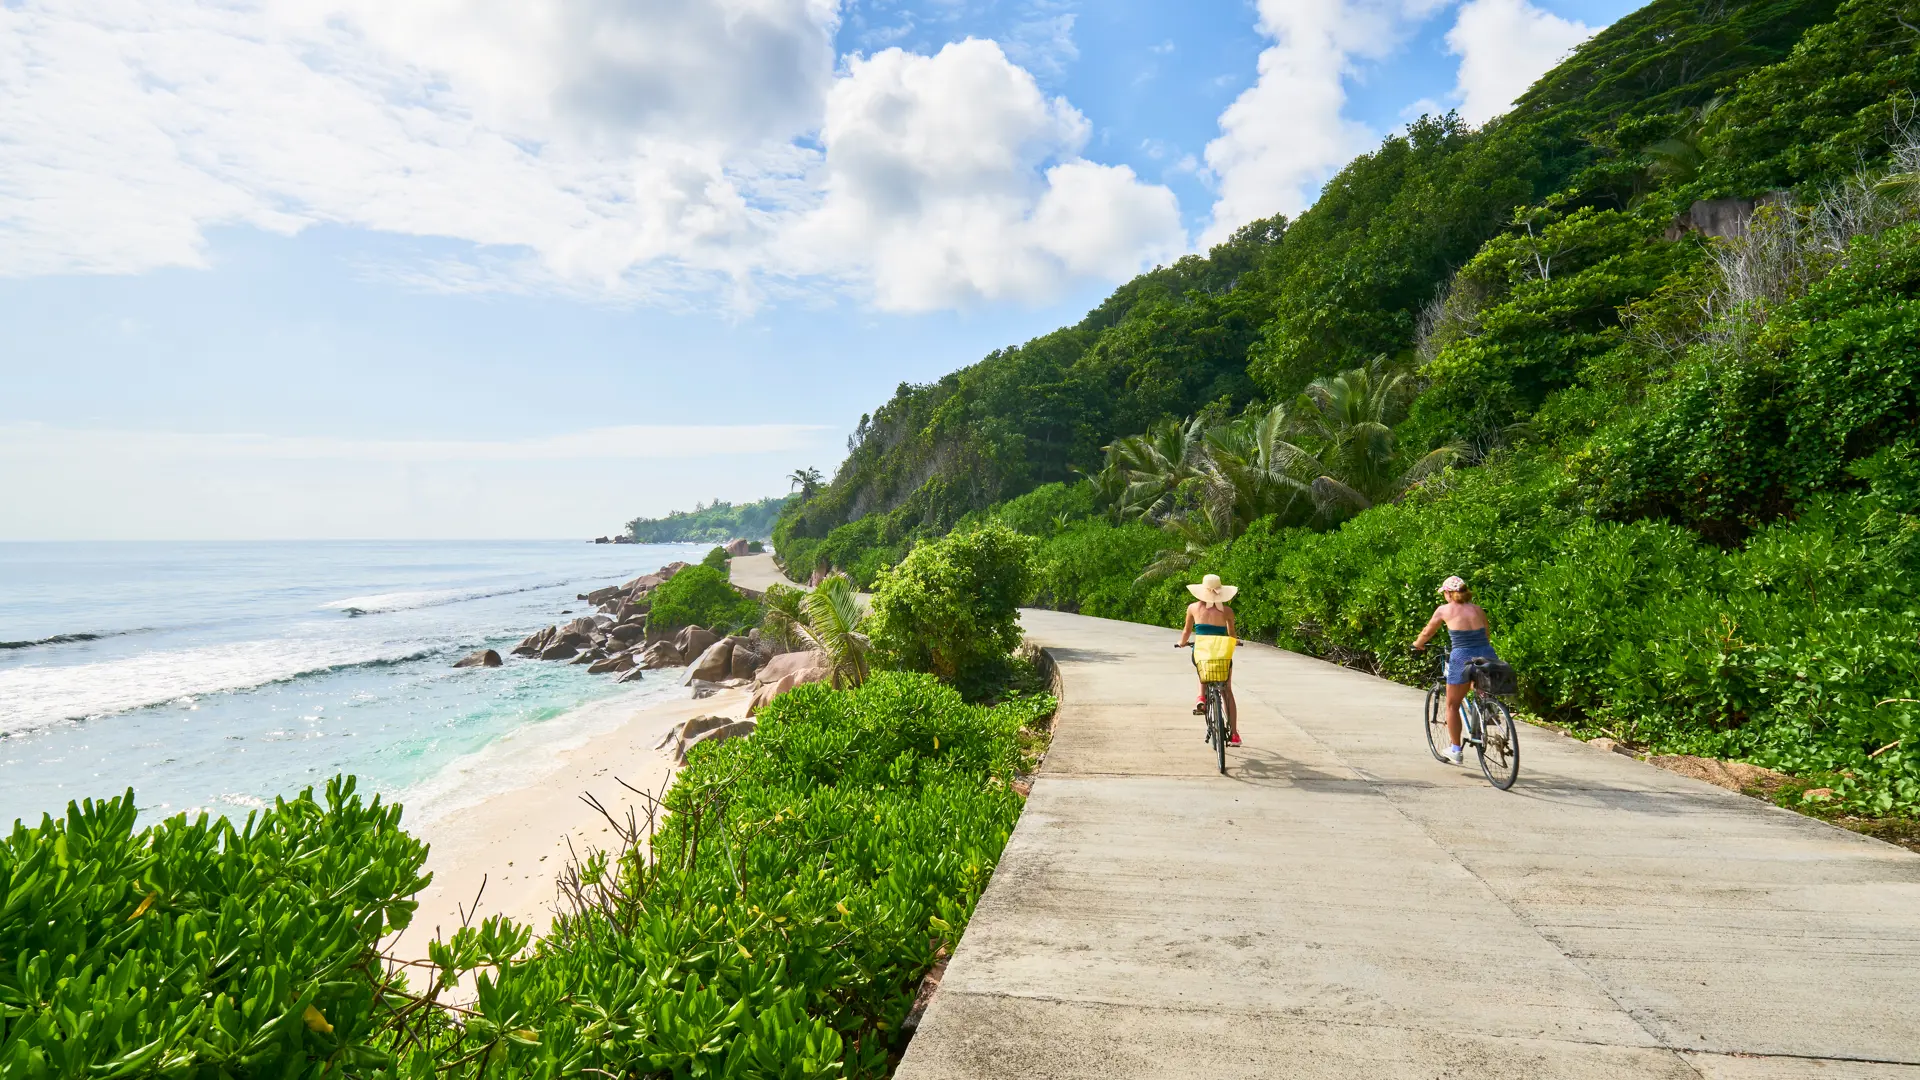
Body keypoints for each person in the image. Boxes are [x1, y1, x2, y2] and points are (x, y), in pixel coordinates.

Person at [1412, 575, 1498, 765]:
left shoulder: (1444, 610)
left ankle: (1456, 750)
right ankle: (1487, 706)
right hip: (1486, 653)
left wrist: (1417, 644)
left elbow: (1428, 631)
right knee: (1479, 685)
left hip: (1461, 657)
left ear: (1449, 593)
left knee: (1452, 704)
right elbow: (1486, 633)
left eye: (1444, 593)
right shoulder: (1478, 609)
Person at [1176, 573, 1240, 746]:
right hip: (1221, 654)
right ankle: (1234, 734)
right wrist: (1236, 641)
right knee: (1227, 689)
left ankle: (1201, 697)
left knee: (1202, 667)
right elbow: (1232, 633)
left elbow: (1186, 632)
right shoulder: (1227, 611)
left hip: (1202, 653)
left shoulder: (1193, 608)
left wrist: (1181, 643)